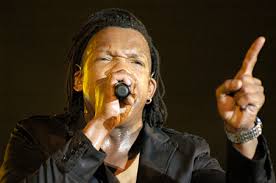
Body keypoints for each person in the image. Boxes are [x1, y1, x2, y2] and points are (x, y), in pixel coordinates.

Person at [0, 8, 274, 183]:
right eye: (105, 58)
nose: (121, 70)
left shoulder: (188, 156)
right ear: (79, 79)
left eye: (136, 62)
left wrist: (244, 131)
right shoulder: (34, 137)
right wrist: (100, 125)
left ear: (149, 91)